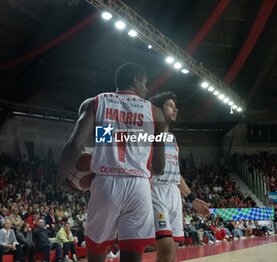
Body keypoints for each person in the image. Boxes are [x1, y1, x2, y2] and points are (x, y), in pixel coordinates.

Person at [57, 62, 166, 262]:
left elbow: (75, 144)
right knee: (133, 252)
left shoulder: (96, 102)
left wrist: (61, 179)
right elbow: (159, 167)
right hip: (139, 187)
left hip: (106, 182)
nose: (146, 89)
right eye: (145, 84)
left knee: (97, 250)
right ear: (135, 81)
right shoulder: (156, 113)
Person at [149, 91, 210, 262]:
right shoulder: (146, 133)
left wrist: (193, 199)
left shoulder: (172, 138)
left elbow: (176, 174)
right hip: (155, 190)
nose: (175, 110)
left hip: (174, 196)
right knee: (166, 248)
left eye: (175, 107)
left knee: (172, 252)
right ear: (158, 110)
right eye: (170, 106)